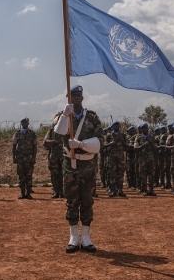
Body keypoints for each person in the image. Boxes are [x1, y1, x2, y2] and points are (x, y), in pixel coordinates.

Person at [53, 86, 102, 253]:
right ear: (69, 97)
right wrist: (65, 116)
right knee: (72, 200)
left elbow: (99, 142)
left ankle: (86, 237)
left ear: (82, 97)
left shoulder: (92, 117)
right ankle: (74, 237)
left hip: (87, 166)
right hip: (71, 166)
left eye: (78, 95)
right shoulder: (63, 116)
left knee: (87, 200)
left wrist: (81, 144)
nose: (76, 98)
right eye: (73, 95)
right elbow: (57, 135)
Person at [12, 118, 37, 199]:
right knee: (21, 176)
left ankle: (28, 193)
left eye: (26, 122)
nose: (24, 124)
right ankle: (22, 193)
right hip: (20, 158)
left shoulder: (32, 134)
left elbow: (35, 146)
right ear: (21, 124)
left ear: (28, 123)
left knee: (29, 176)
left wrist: (34, 157)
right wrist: (14, 157)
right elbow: (14, 145)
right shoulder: (17, 133)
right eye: (23, 123)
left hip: (29, 158)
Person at [43, 113, 65, 199]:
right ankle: (56, 191)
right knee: (54, 174)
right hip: (54, 157)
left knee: (64, 174)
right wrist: (54, 141)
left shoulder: (66, 131)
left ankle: (63, 191)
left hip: (64, 156)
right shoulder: (51, 131)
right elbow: (45, 143)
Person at [104, 121, 127, 197]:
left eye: (118, 124)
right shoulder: (109, 135)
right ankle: (113, 190)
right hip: (112, 157)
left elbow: (126, 146)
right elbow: (104, 145)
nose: (117, 126)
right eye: (115, 125)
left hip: (120, 157)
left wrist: (122, 140)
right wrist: (113, 143)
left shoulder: (123, 135)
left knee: (120, 173)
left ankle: (120, 190)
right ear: (112, 127)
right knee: (112, 173)